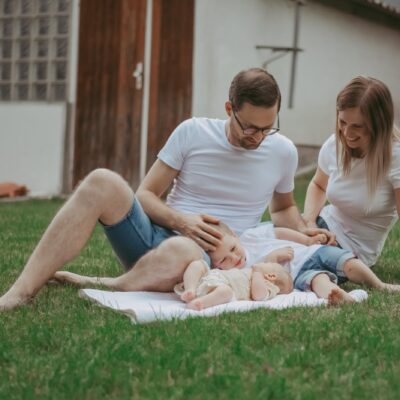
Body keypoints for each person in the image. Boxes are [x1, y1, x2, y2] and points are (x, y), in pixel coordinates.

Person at [0, 67, 332, 311]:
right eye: (250, 128)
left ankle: (109, 285)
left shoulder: (283, 151)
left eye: (266, 129)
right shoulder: (193, 132)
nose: (258, 138)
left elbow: (282, 209)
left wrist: (305, 227)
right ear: (229, 109)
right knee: (102, 181)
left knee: (189, 253)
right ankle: (20, 291)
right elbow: (145, 194)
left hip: (215, 263)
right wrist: (182, 222)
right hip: (154, 243)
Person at [53, 221, 399, 309]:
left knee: (347, 262)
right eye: (224, 259)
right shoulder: (249, 265)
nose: (233, 258)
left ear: (235, 236)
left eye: (232, 249)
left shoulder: (251, 234)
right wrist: (274, 263)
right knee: (319, 280)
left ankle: (379, 285)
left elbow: (279, 230)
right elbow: (262, 271)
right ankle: (335, 295)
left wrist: (305, 239)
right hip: (301, 271)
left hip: (312, 251)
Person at [303, 76, 400, 269]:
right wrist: (309, 223)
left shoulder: (395, 156)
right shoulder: (334, 144)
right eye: (343, 122)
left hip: (352, 251)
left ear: (379, 123)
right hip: (324, 226)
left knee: (295, 263)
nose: (347, 133)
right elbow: (318, 185)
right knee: (262, 237)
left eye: (358, 125)